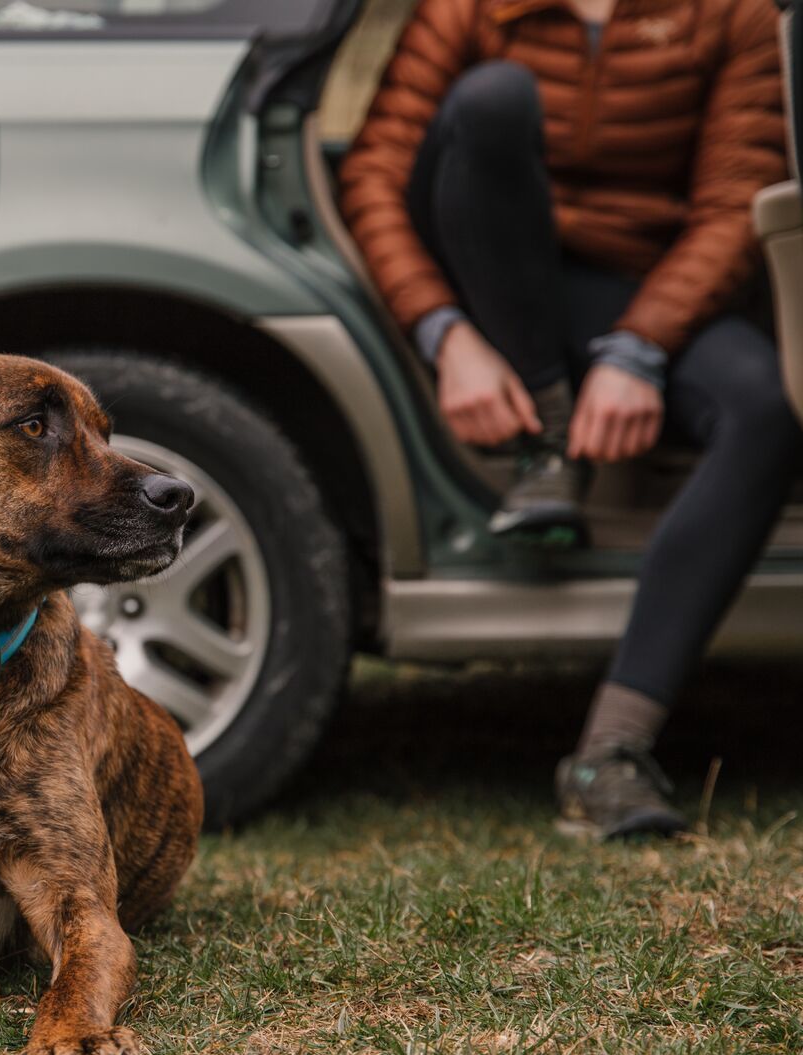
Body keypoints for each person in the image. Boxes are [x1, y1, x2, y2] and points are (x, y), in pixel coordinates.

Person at [340, 0, 802, 838]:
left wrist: (637, 349)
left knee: (768, 406)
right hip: (491, 279)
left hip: (643, 285)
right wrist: (447, 336)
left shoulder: (727, 14)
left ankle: (609, 755)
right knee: (492, 98)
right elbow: (374, 173)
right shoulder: (471, 7)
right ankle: (551, 432)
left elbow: (736, 199)